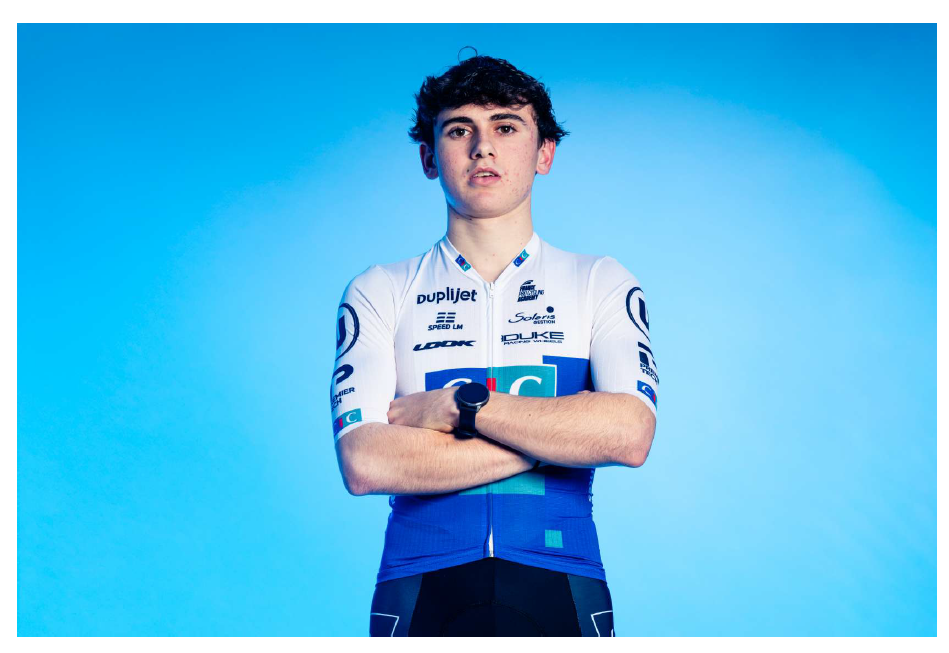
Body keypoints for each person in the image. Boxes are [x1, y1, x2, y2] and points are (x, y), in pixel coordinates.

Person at [330, 51, 659, 637]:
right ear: (429, 157)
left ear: (544, 153)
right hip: (420, 583)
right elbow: (365, 462)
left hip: (561, 576)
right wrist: (558, 438)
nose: (483, 148)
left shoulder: (600, 281)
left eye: (506, 127)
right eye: (460, 130)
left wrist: (463, 407)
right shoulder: (380, 290)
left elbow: (629, 435)